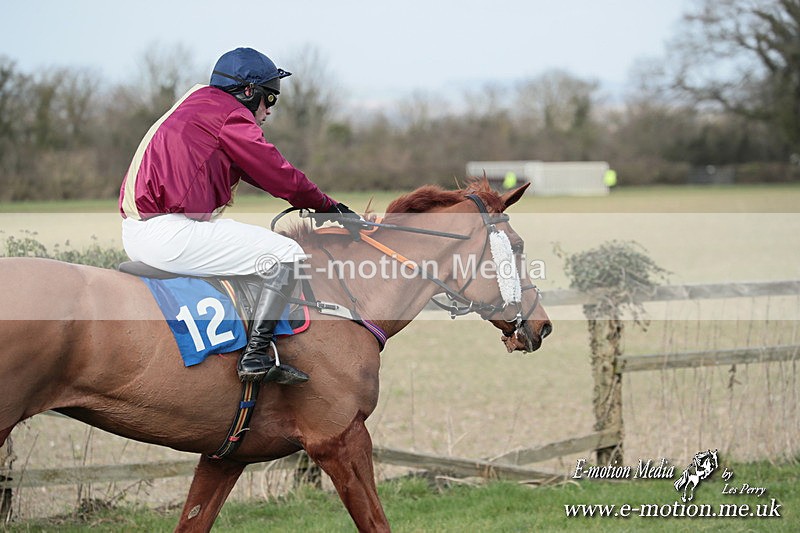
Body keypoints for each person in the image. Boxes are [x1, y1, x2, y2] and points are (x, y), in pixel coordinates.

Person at [119, 47, 362, 385]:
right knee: (287, 253)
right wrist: (328, 206)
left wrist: (319, 205)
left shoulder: (199, 102)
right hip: (168, 233)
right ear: (248, 92)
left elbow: (258, 171)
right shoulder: (228, 114)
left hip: (142, 230)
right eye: (269, 99)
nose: (268, 111)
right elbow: (277, 171)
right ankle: (256, 356)